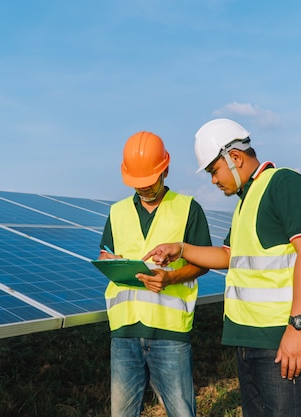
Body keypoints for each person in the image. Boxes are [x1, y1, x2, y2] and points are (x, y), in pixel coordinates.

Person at [143, 119, 301, 417]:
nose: (213, 180)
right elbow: (228, 255)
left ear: (234, 157)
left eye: (214, 171)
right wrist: (180, 249)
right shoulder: (247, 200)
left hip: (280, 339)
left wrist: (298, 328)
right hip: (249, 340)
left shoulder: (283, 183)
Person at [98, 130, 212, 417]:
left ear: (165, 169)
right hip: (124, 331)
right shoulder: (117, 212)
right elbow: (105, 253)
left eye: (148, 182)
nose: (144, 188)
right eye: (138, 184)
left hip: (170, 332)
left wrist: (171, 277)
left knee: (182, 412)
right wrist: (111, 260)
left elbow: (205, 262)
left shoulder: (188, 209)